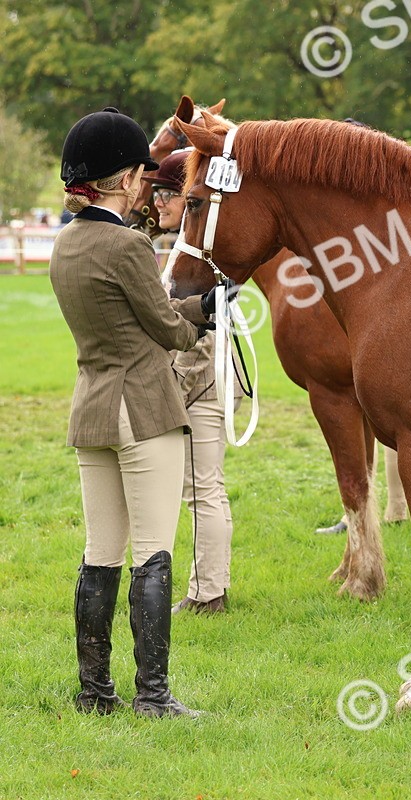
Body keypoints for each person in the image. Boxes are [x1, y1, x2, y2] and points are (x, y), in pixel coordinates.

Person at [50, 107, 227, 718]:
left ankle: (95, 692)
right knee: (153, 552)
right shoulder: (125, 244)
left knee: (101, 553)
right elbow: (168, 329)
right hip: (142, 410)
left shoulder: (66, 244)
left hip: (91, 410)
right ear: (123, 179)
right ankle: (153, 696)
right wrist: (210, 306)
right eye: (137, 176)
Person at [145, 149, 242, 614]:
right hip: (205, 374)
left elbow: (195, 331)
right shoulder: (185, 248)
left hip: (201, 377)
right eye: (158, 192)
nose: (158, 202)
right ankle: (209, 587)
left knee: (202, 486)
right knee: (203, 485)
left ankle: (208, 593)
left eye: (168, 194)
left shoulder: (198, 252)